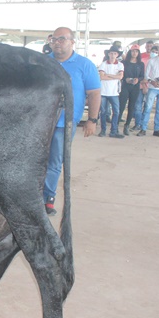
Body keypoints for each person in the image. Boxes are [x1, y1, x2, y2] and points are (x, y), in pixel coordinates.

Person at [44, 27, 101, 215]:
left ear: (72, 42)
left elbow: (94, 93)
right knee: (36, 160)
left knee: (54, 162)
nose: (57, 43)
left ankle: (47, 199)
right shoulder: (42, 62)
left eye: (62, 39)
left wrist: (92, 119)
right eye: (54, 39)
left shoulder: (85, 65)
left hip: (64, 124)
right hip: (40, 122)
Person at [138, 42, 159, 137]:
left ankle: (157, 129)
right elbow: (146, 74)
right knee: (147, 108)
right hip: (152, 87)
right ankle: (143, 128)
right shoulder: (152, 60)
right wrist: (151, 81)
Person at [98, 45, 125, 138]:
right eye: (111, 53)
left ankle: (113, 130)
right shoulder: (103, 64)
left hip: (114, 92)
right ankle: (103, 130)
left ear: (117, 55)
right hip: (104, 91)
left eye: (115, 53)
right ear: (108, 54)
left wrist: (108, 75)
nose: (113, 55)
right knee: (103, 112)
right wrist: (114, 76)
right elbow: (101, 77)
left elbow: (120, 76)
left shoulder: (120, 64)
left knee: (116, 111)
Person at [120, 44, 145, 135]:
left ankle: (127, 125)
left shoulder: (140, 64)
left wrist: (138, 79)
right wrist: (125, 79)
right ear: (130, 52)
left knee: (131, 107)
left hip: (135, 87)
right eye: (133, 51)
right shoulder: (124, 63)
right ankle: (115, 124)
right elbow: (120, 74)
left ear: (138, 53)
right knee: (121, 105)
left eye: (136, 51)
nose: (134, 53)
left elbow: (142, 76)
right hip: (125, 86)